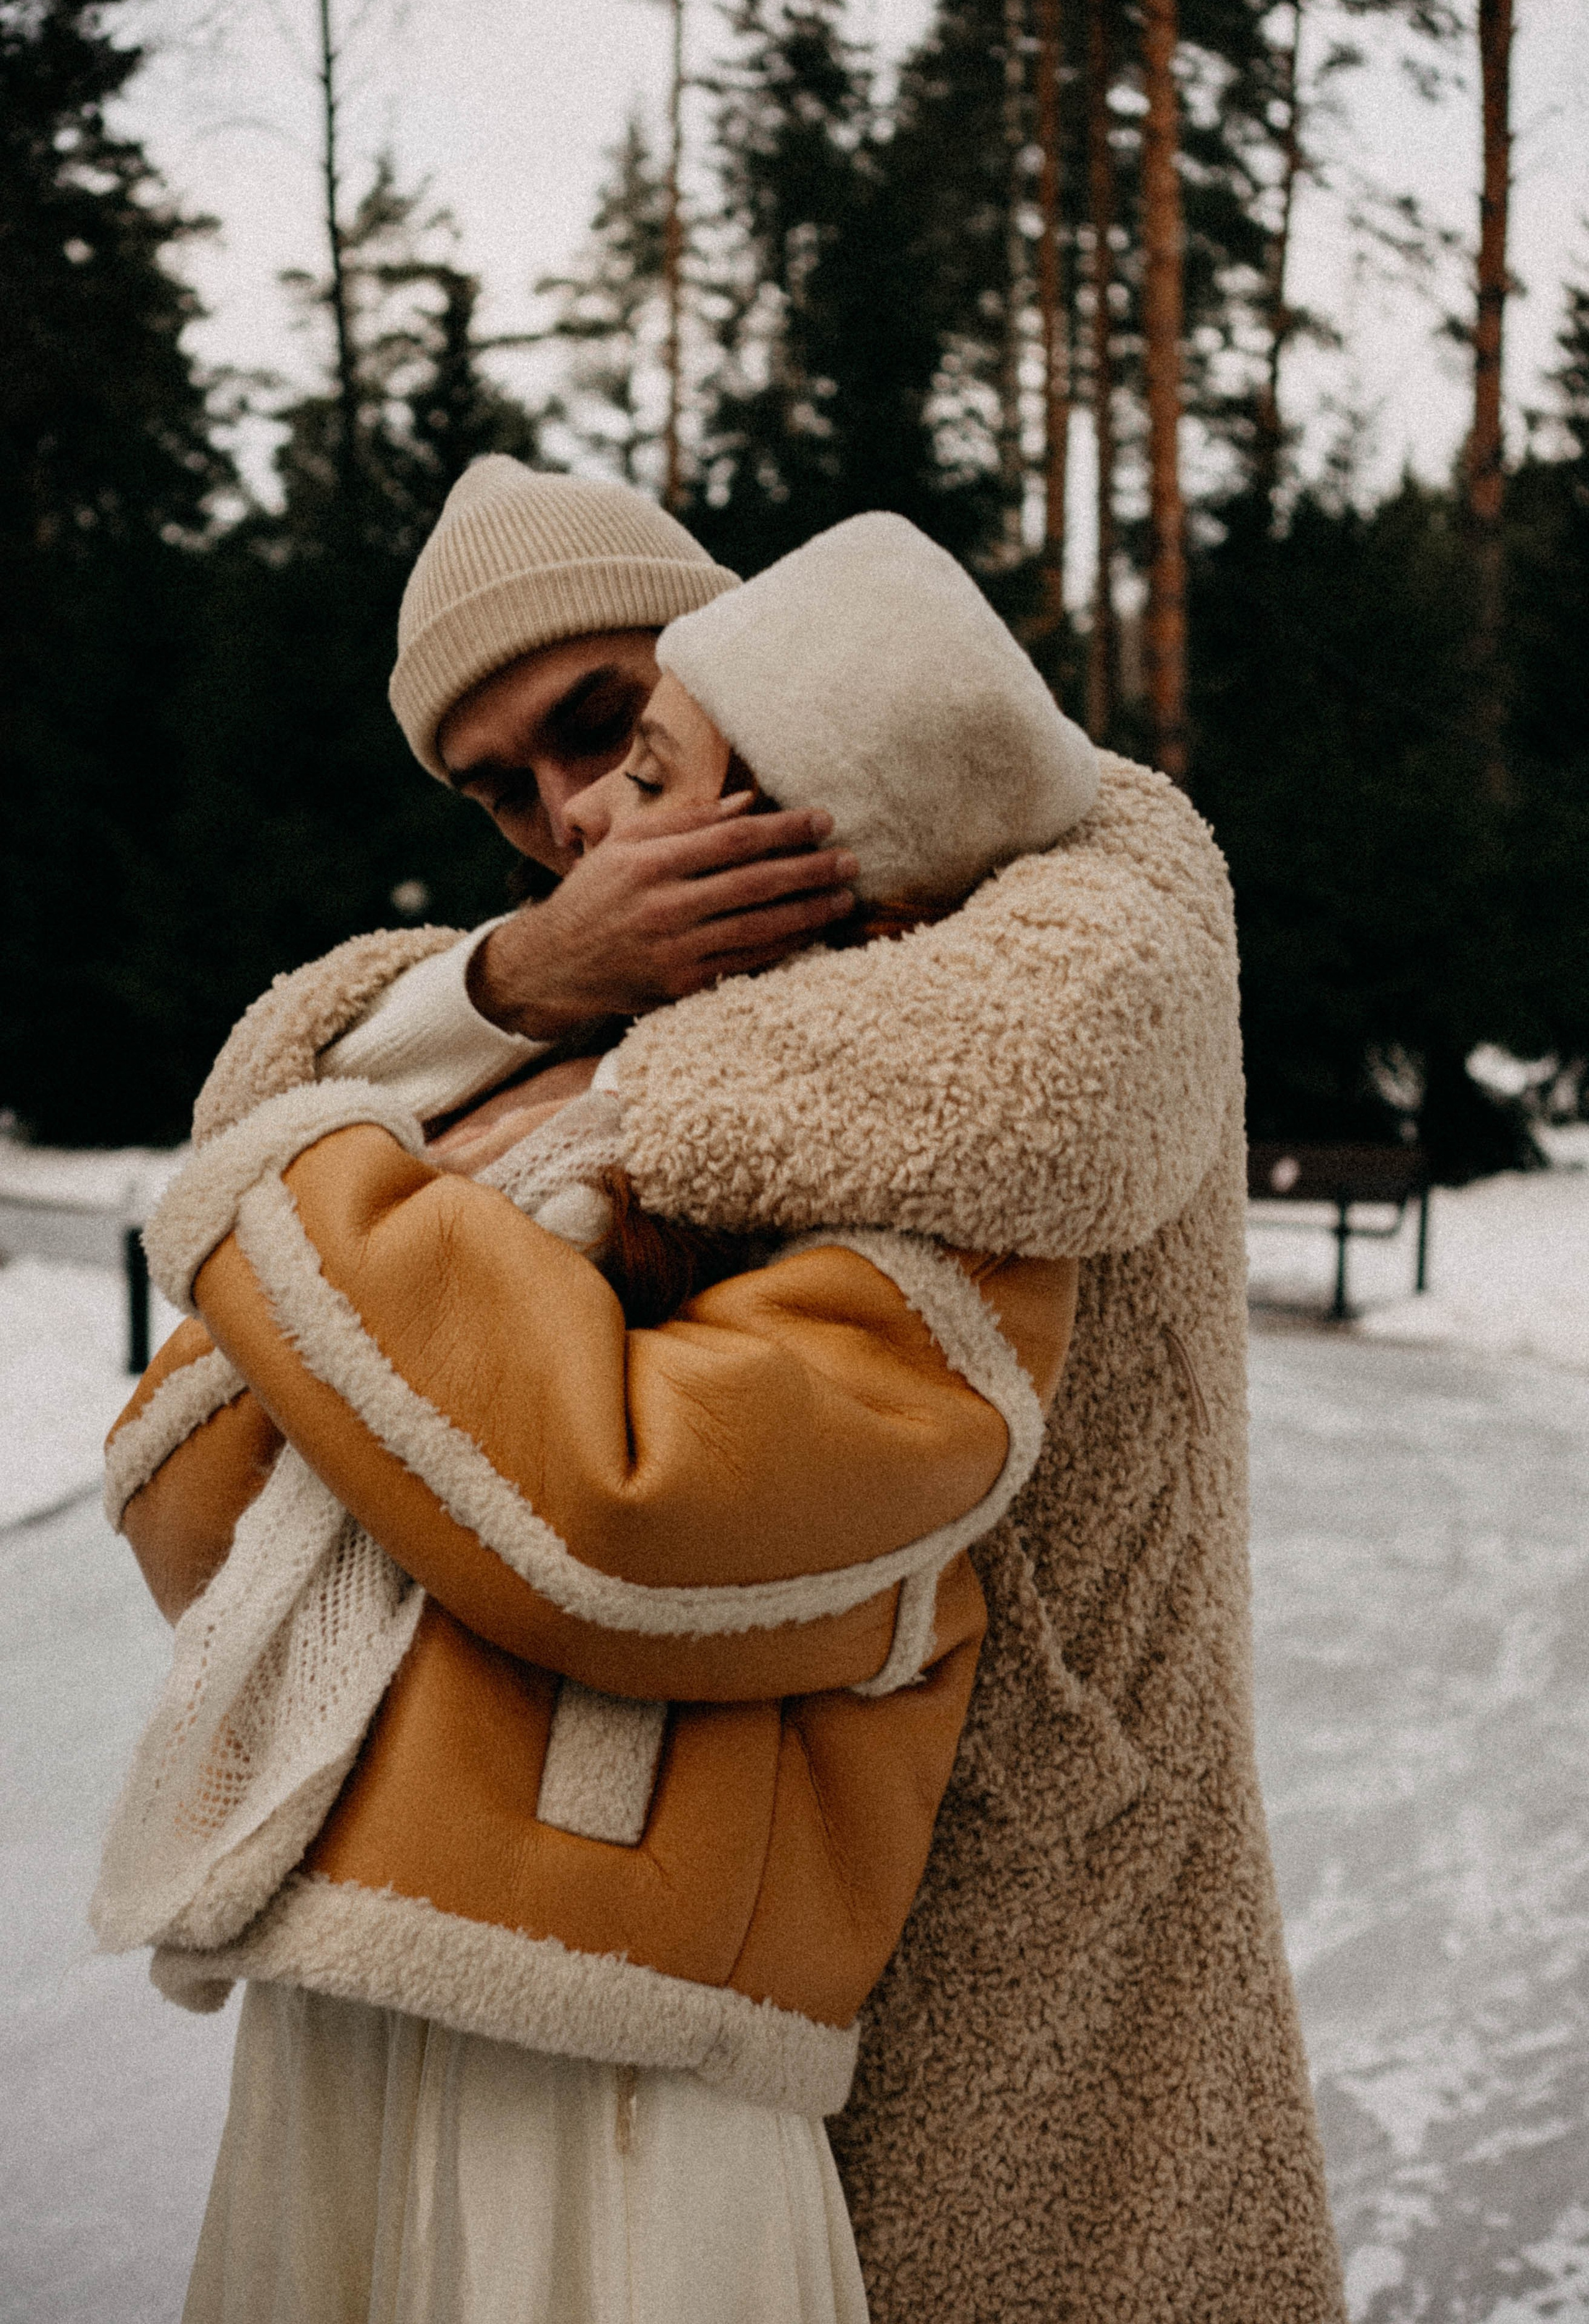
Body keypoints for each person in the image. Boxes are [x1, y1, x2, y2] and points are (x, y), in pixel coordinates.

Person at [100, 462, 1346, 2322]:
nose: (569, 817)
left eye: (603, 730)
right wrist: (521, 987)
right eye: (498, 791)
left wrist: (538, 1111)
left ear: (733, 638)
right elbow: (254, 1152)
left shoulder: (1090, 858)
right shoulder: (596, 964)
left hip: (1027, 1859)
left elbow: (1046, 1085)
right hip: (665, 1882)